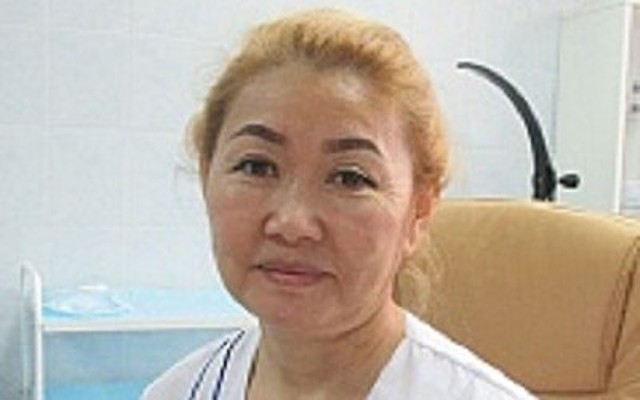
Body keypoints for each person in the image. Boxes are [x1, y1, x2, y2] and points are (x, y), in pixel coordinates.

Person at [142, 8, 536, 400]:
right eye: (257, 166)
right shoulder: (178, 391)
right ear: (207, 175)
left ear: (418, 212)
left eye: (350, 178)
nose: (292, 224)